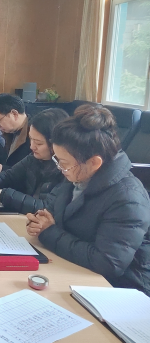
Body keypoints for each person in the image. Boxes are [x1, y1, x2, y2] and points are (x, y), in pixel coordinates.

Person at [27, 105, 150, 295]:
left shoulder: (128, 199)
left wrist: (48, 232)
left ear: (94, 162)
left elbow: (108, 263)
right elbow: (52, 212)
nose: (60, 168)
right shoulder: (79, 175)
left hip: (118, 289)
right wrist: (39, 221)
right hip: (74, 269)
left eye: (64, 163)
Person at [0, 108, 69, 212]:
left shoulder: (66, 170)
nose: (32, 146)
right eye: (31, 139)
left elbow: (46, 206)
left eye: (38, 143)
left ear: (56, 143)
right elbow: (9, 176)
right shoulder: (33, 158)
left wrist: (0, 194)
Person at [0, 93, 31, 174]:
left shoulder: (34, 134)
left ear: (14, 114)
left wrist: (3, 169)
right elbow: (6, 159)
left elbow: (31, 170)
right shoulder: (11, 132)